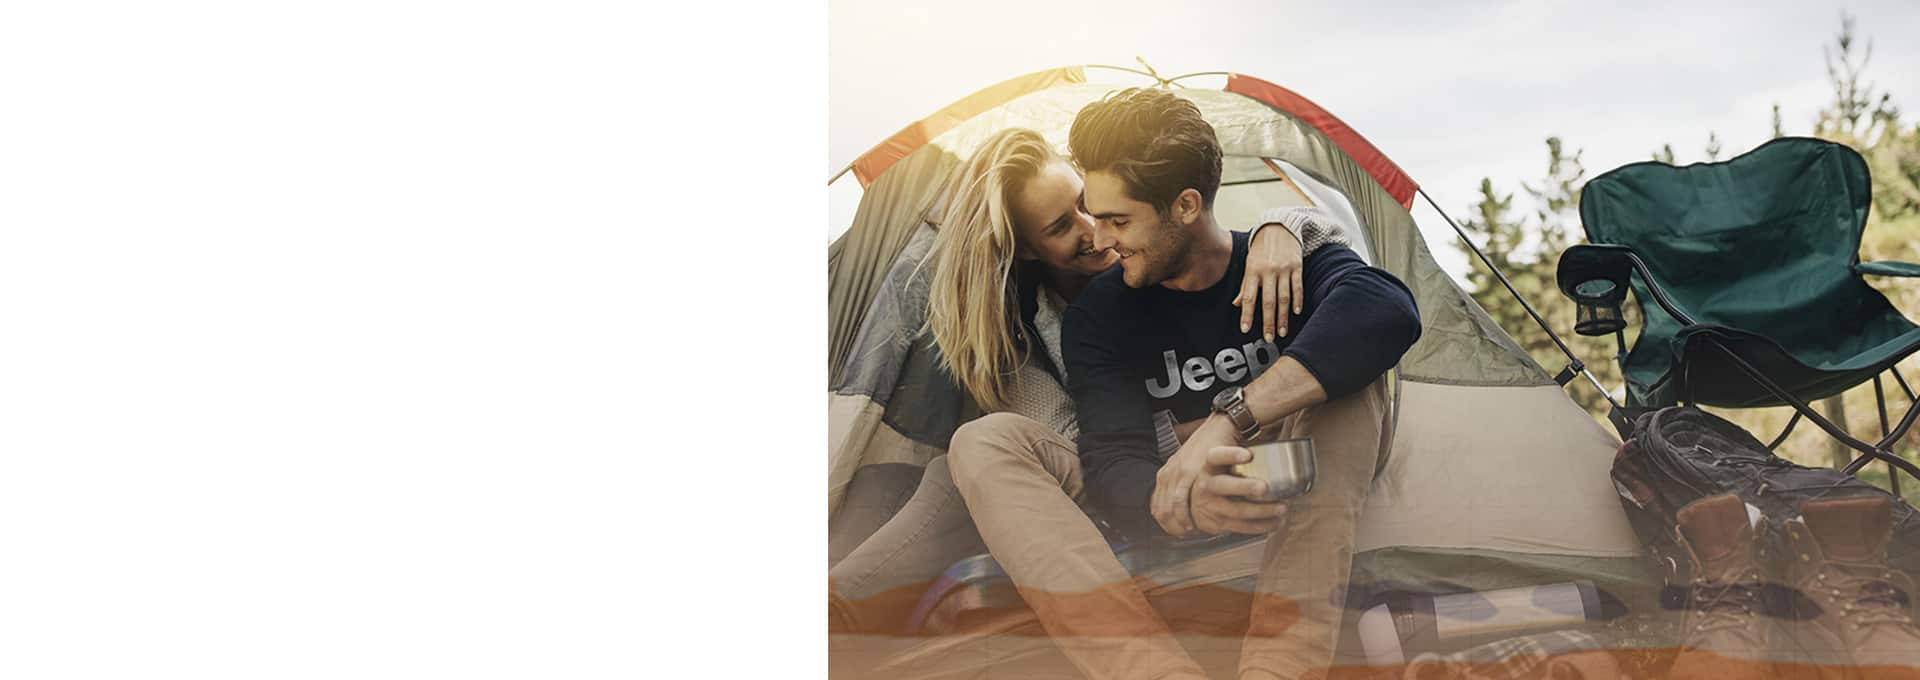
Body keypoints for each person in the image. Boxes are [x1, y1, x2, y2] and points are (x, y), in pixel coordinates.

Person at [948, 89, 1421, 680]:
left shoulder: (1278, 260)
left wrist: (1228, 419)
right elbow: (1114, 459)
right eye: (1089, 218)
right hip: (1184, 487)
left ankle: (1278, 670)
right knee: (982, 441)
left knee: (1352, 386)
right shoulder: (1099, 316)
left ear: (1186, 206)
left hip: (1296, 467)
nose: (1100, 238)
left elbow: (1389, 313)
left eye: (1117, 220)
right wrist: (1173, 502)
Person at [828, 126, 1350, 637]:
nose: (1094, 230)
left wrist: (1281, 225)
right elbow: (1090, 450)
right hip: (1121, 474)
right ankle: (836, 614)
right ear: (1028, 249)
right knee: (945, 467)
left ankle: (837, 610)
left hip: (1212, 449)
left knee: (952, 473)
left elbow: (1235, 250)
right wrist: (1218, 426)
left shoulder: (1162, 254)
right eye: (1060, 227)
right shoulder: (1022, 333)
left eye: (1088, 202)